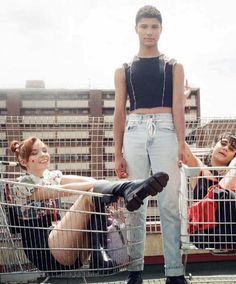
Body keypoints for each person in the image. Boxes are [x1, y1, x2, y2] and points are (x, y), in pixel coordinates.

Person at [9, 136, 169, 272]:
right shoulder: (21, 185)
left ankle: (101, 253)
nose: (43, 155)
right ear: (24, 161)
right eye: (35, 153)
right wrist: (110, 188)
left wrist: (110, 186)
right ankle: (128, 188)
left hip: (70, 248)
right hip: (45, 252)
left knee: (94, 190)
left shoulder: (50, 176)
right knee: (88, 196)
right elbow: (57, 191)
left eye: (44, 150)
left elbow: (92, 181)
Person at [114, 5, 188, 284]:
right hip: (133, 132)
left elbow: (179, 106)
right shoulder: (124, 69)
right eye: (144, 26)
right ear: (136, 28)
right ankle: (135, 270)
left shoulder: (173, 66)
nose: (149, 32)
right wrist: (117, 152)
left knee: (169, 202)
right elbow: (119, 112)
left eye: (154, 27)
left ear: (161, 29)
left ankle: (174, 272)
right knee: (135, 202)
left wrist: (181, 143)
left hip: (166, 130)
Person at [184, 133, 236, 249]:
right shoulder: (200, 170)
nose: (225, 148)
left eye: (231, 149)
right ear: (213, 146)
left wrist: (232, 168)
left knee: (222, 194)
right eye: (223, 143)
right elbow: (185, 150)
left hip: (230, 229)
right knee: (220, 194)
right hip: (208, 232)